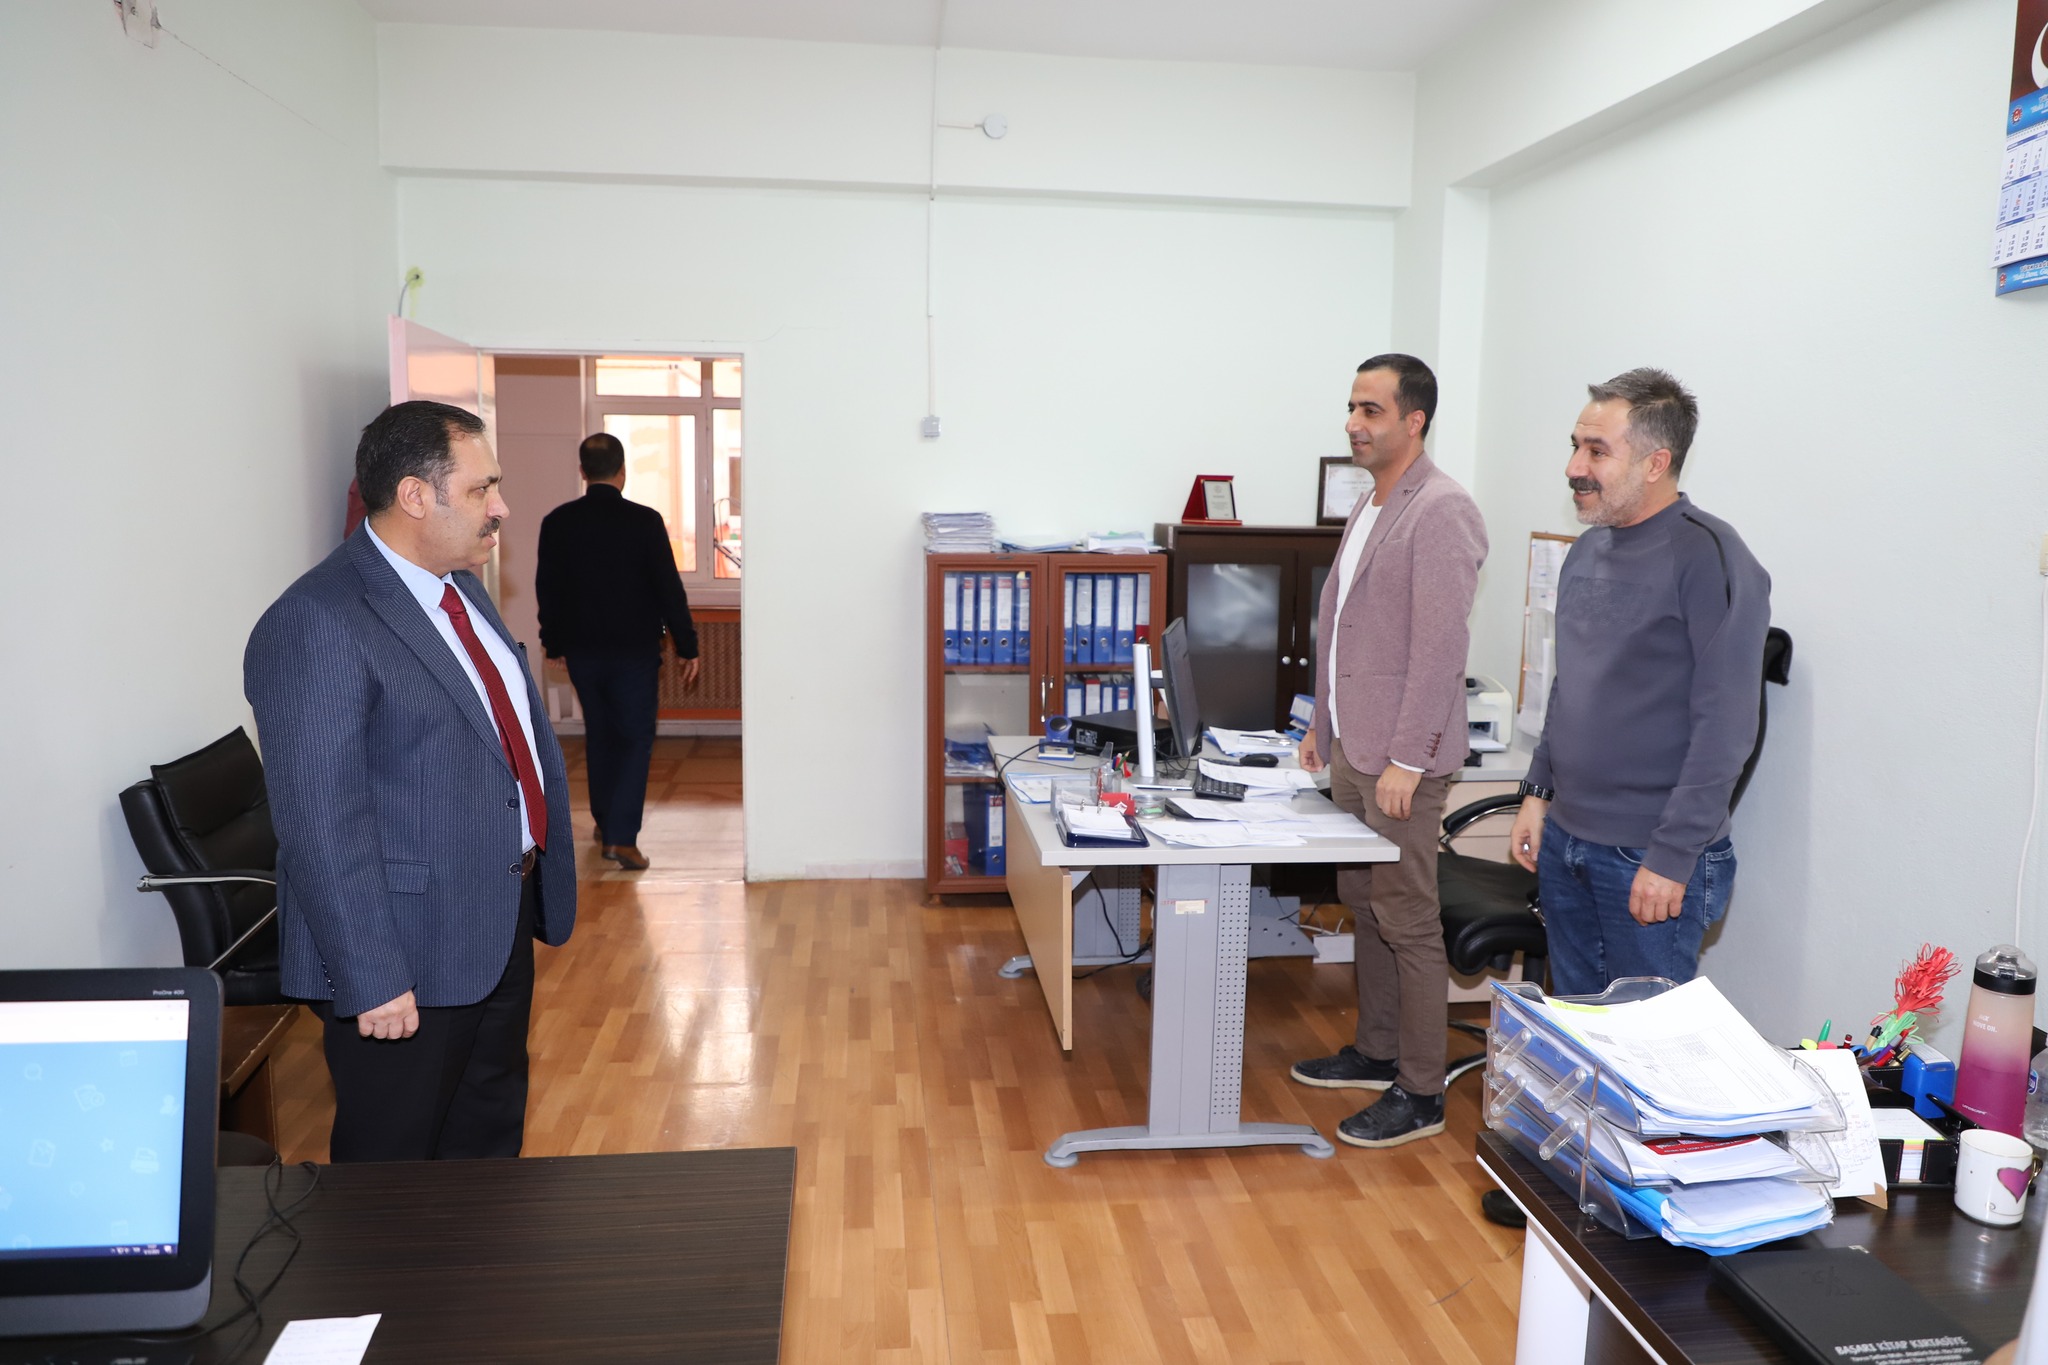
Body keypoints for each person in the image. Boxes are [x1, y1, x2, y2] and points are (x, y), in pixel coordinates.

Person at [244, 400, 577, 1162]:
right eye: (482, 488)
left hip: (493, 919)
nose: (501, 507)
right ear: (415, 495)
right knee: (389, 1174)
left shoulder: (459, 585)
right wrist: (371, 974)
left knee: (487, 1141)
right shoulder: (319, 620)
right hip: (405, 954)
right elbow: (320, 822)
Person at [1507, 368, 1771, 997]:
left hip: (1648, 855)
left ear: (1656, 463)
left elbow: (1727, 725)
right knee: (1578, 1034)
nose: (1575, 467)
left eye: (1597, 451)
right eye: (1575, 446)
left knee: (1645, 1043)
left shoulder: (1710, 556)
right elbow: (1570, 688)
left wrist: (1672, 856)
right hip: (1567, 841)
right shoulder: (1586, 550)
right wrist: (1538, 792)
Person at [1290, 354, 1488, 1149]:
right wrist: (1321, 723)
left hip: (1401, 759)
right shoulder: (1372, 503)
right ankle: (1375, 1051)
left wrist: (1409, 756)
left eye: (1370, 410)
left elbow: (1440, 650)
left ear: (1415, 420)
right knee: (1365, 902)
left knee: (1405, 915)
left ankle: (1420, 1088)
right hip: (1354, 746)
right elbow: (1345, 630)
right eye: (1351, 407)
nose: (1353, 423)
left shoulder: (1441, 508)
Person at [534, 433, 700, 872]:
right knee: (634, 739)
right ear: (622, 472)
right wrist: (687, 645)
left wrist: (553, 643)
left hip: (583, 653)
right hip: (634, 653)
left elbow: (549, 589)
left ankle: (607, 822)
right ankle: (621, 839)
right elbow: (668, 588)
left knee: (601, 734)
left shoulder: (558, 522)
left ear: (583, 472)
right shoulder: (645, 522)